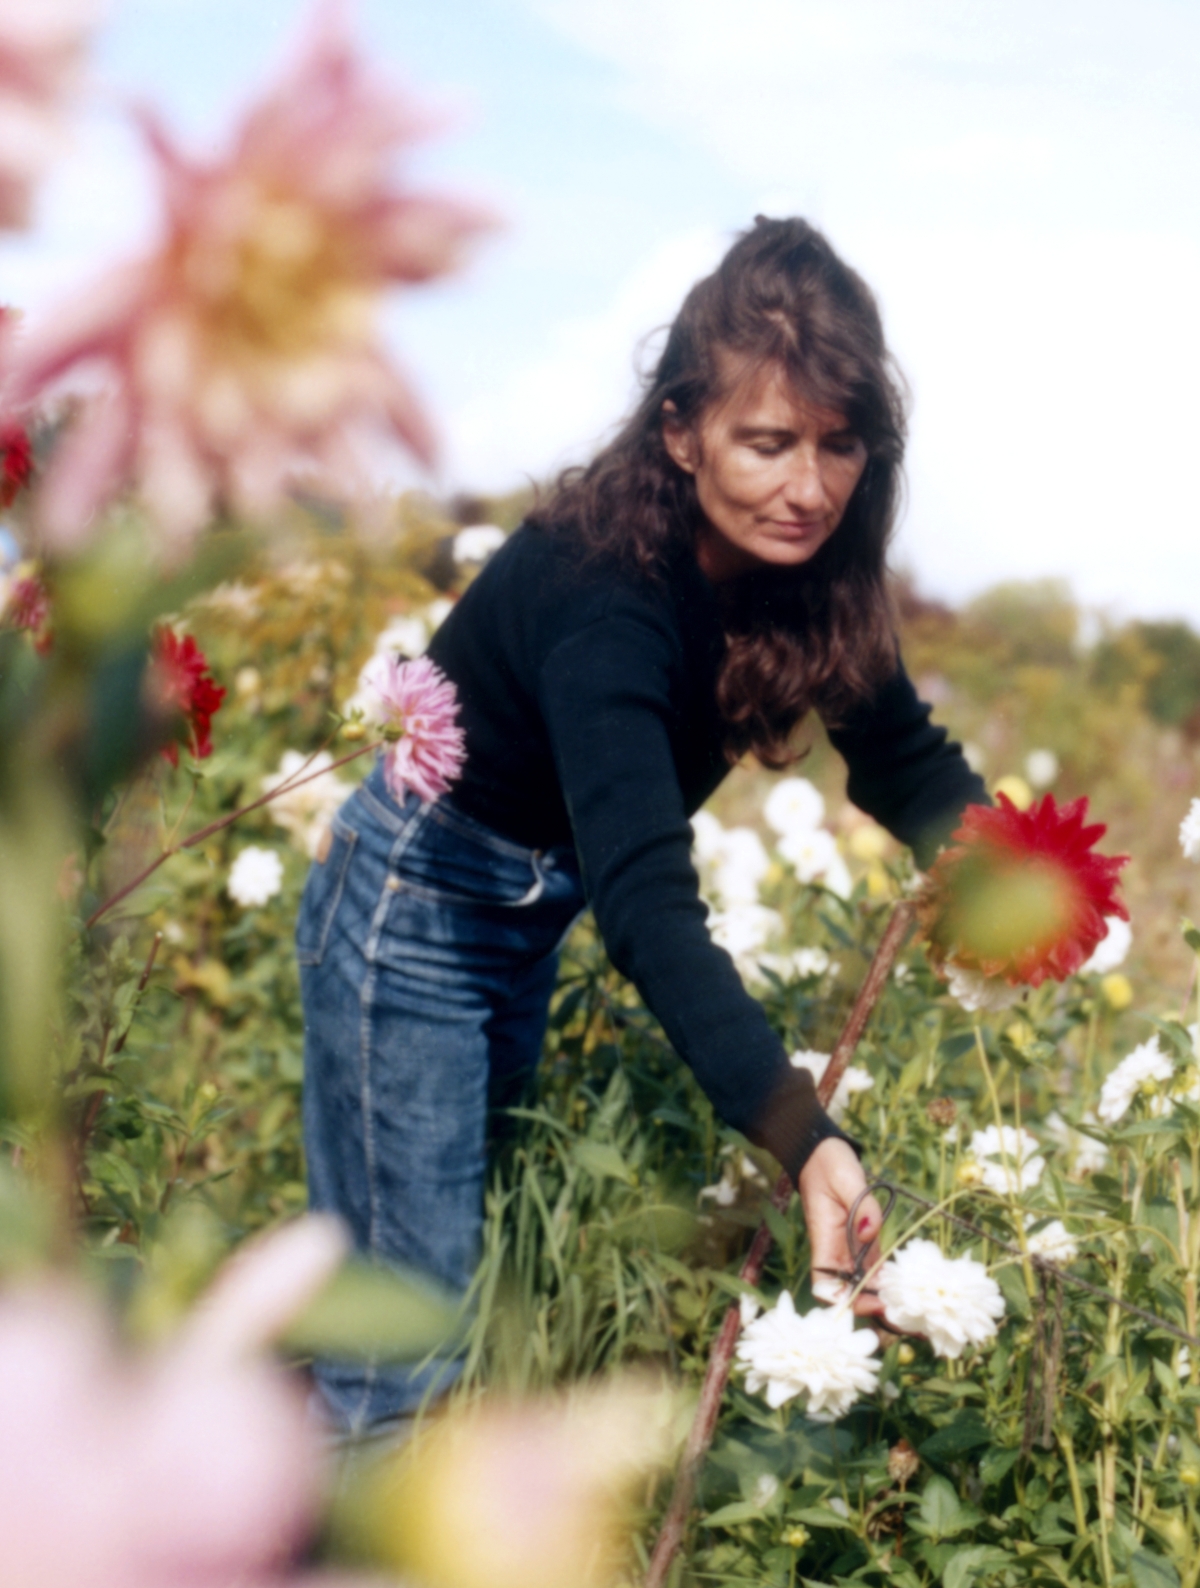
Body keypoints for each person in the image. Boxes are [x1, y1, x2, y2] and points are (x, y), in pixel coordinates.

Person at [297, 216, 988, 1436]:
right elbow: (647, 906)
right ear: (680, 431)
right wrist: (803, 1137)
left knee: (451, 1261)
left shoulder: (813, 574)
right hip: (417, 900)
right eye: (768, 442)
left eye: (841, 445)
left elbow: (903, 761)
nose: (811, 486)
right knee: (402, 1342)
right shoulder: (602, 594)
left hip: (524, 911)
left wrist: (1037, 882)